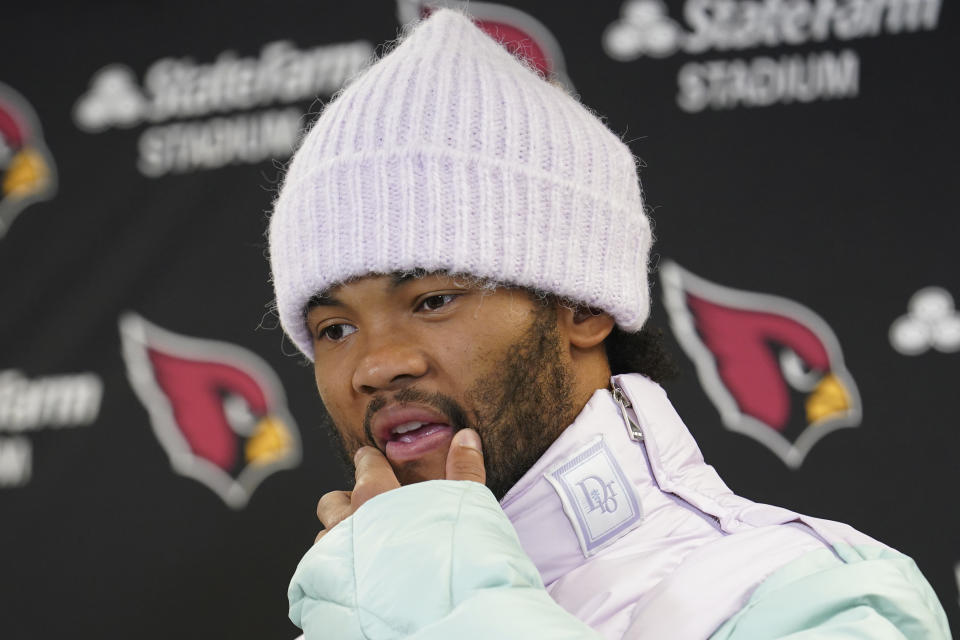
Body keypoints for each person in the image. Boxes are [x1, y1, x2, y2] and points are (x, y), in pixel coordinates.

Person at [267, 9, 950, 640]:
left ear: (583, 305)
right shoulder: (353, 605)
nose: (376, 365)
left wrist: (431, 599)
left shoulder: (822, 595)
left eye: (433, 301)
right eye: (333, 329)